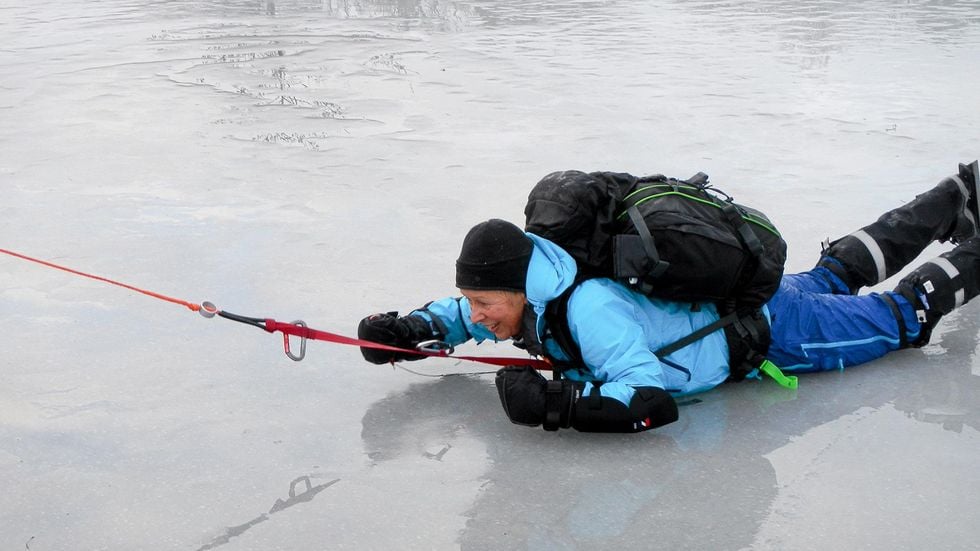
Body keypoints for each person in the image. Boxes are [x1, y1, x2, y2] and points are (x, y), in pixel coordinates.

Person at [357, 161, 980, 433]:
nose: (475, 315)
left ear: (520, 286)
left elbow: (647, 396)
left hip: (776, 331)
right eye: (470, 301)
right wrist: (411, 328)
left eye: (483, 303)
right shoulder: (534, 278)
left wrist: (557, 405)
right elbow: (467, 306)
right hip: (753, 298)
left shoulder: (588, 306)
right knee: (833, 274)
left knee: (901, 317)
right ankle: (959, 192)